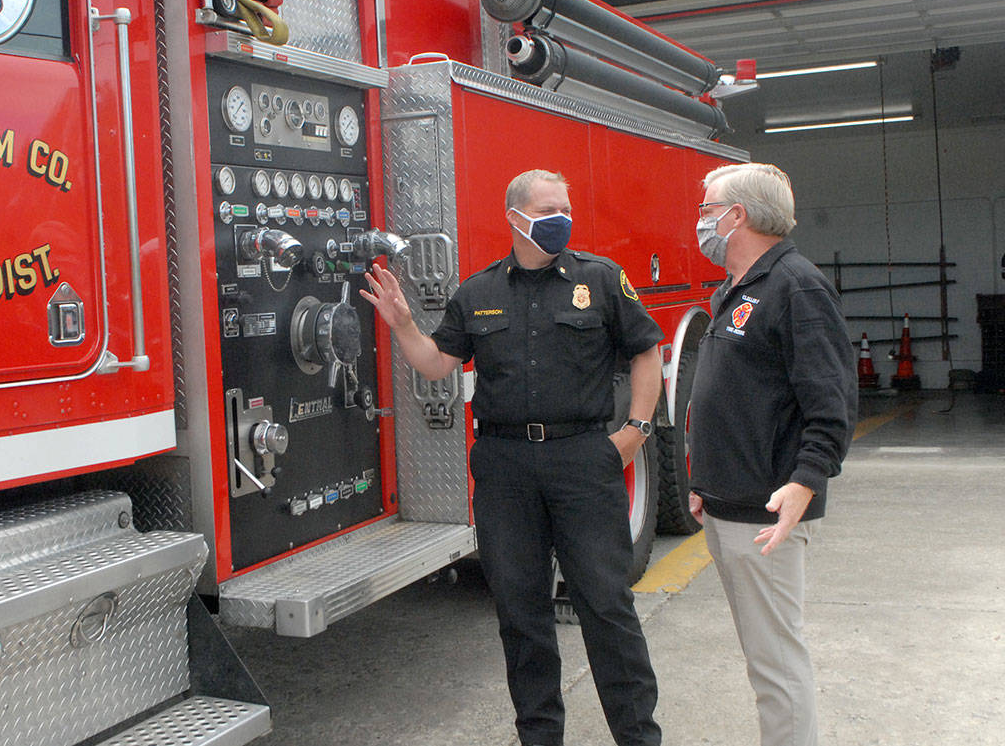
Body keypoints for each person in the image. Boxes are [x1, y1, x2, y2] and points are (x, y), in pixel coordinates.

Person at [362, 169, 663, 746]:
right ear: (515, 217)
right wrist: (402, 324)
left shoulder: (600, 280)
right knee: (522, 617)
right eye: (549, 209)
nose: (562, 220)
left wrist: (636, 431)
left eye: (566, 208)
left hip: (582, 460)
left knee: (607, 609)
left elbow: (647, 352)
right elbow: (436, 365)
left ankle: (638, 737)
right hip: (504, 468)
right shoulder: (477, 294)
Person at [688, 162, 856, 746]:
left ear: (737, 216)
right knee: (766, 663)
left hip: (765, 515)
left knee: (777, 667)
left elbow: (831, 399)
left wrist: (806, 479)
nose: (701, 220)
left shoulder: (796, 285)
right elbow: (736, 398)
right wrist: (703, 480)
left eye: (708, 209)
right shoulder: (738, 288)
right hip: (728, 503)